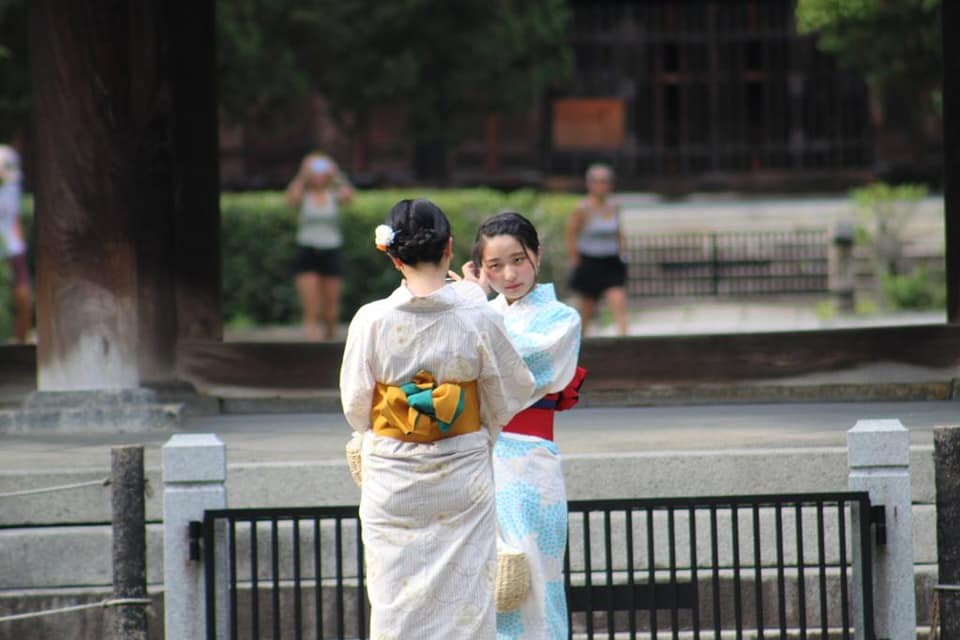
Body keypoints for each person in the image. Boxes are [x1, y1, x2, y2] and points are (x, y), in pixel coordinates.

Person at [339, 199, 535, 638]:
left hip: (393, 477)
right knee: (466, 604)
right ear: (449, 247)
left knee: (395, 602)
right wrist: (475, 427)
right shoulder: (477, 316)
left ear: (394, 258)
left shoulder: (371, 320)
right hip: (461, 475)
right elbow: (510, 390)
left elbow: (355, 405)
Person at [463, 211, 585, 640]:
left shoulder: (562, 319)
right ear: (481, 270)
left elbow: (507, 363)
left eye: (518, 260)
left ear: (538, 254)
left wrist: (471, 308)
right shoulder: (481, 312)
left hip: (528, 463)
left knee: (533, 579)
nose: (509, 275)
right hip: (476, 459)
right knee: (483, 584)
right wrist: (474, 305)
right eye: (495, 266)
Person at [285, 152, 354, 340]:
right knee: (311, 307)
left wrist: (336, 174)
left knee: (331, 311)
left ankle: (329, 341)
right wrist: (303, 174)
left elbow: (349, 197)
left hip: (332, 250)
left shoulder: (333, 195)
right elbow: (291, 199)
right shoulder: (304, 195)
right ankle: (312, 343)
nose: (318, 174)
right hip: (307, 250)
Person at [565, 163, 629, 336]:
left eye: (605, 181)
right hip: (590, 261)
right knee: (587, 309)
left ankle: (625, 341)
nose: (601, 186)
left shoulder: (614, 206)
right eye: (597, 181)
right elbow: (571, 234)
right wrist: (574, 259)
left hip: (611, 261)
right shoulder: (583, 208)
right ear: (590, 184)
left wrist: (623, 253)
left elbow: (619, 232)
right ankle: (581, 343)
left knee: (618, 301)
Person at [0, 145, 31, 344]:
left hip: (11, 242)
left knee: (22, 292)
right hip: (12, 241)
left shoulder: (7, 154)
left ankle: (21, 340)